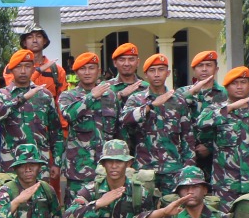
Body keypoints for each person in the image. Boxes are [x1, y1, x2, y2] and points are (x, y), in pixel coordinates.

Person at [195, 66, 249, 203]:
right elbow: (201, 123)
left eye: (243, 82)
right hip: (225, 186)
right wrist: (230, 108)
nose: (239, 87)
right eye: (234, 83)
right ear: (226, 87)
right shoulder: (215, 110)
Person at [122, 53, 202, 191]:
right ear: (145, 74)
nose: (157, 74)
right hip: (143, 169)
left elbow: (187, 137)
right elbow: (125, 120)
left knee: (172, 208)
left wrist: (188, 168)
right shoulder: (136, 99)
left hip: (173, 170)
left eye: (161, 70)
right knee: (144, 210)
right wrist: (150, 106)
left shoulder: (178, 100)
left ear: (168, 73)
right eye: (152, 71)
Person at [0, 49, 64, 186]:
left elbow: (56, 131)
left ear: (33, 69)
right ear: (11, 69)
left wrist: (57, 162)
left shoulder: (44, 95)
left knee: (41, 202)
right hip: (11, 162)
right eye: (19, 66)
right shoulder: (0, 95)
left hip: (39, 162)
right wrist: (21, 99)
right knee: (13, 201)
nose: (23, 71)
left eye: (27, 66)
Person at [58, 52, 111, 190]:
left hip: (107, 167)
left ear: (98, 71)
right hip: (79, 168)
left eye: (91, 68)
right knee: (76, 210)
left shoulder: (110, 96)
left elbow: (117, 127)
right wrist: (91, 96)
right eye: (82, 69)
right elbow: (69, 114)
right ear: (76, 73)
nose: (87, 72)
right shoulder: (68, 96)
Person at [95, 42, 145, 145]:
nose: (127, 63)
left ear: (138, 62)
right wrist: (119, 95)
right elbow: (97, 113)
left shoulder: (145, 87)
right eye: (122, 60)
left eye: (131, 59)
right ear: (114, 63)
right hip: (114, 145)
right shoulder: (104, 87)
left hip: (141, 147)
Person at [9, 26, 66, 101]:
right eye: (30, 37)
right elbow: (11, 92)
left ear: (44, 41)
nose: (35, 40)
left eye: (39, 36)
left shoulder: (57, 70)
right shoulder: (13, 67)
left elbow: (61, 100)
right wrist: (37, 72)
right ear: (24, 42)